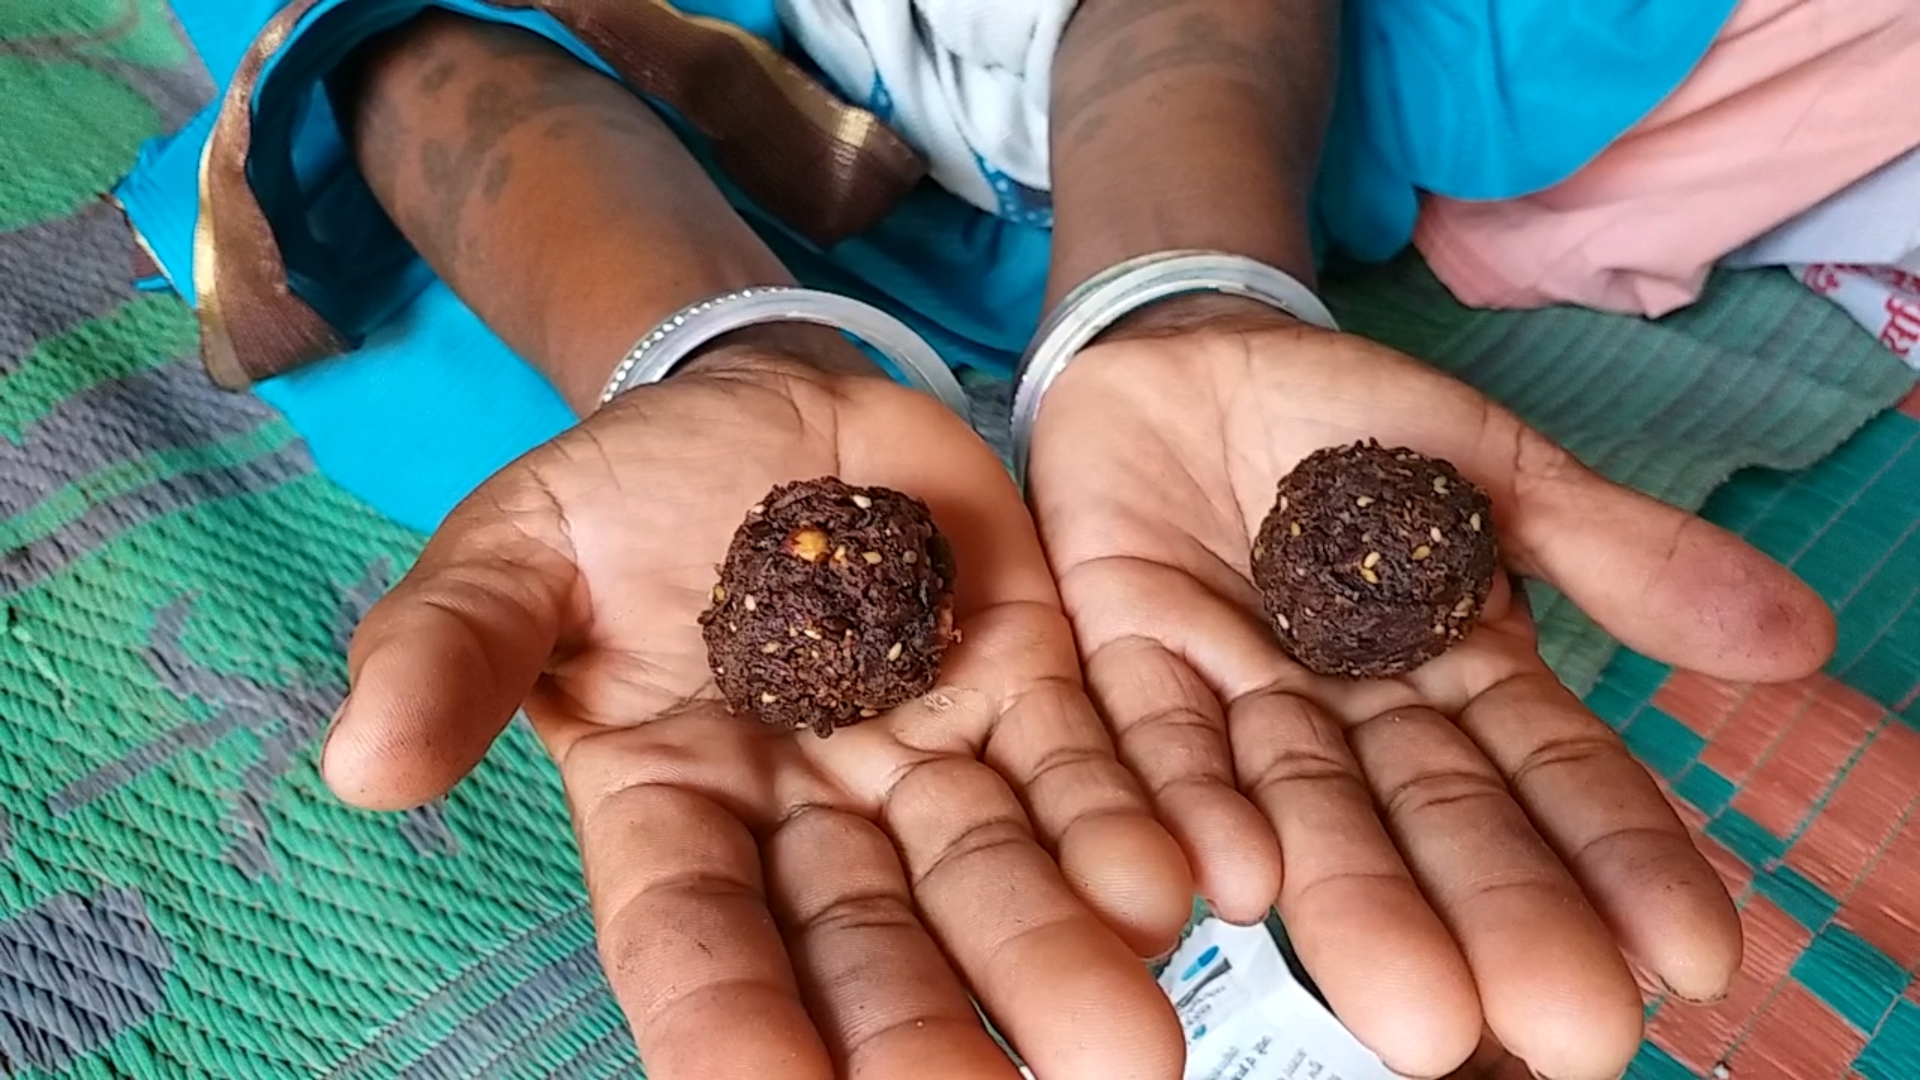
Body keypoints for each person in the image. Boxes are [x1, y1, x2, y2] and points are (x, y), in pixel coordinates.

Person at [122, 2, 1839, 1077]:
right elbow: (418, 51)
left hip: (1163, 119)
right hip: (599, 214)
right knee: (454, 412)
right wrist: (720, 350)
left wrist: (1181, 280)